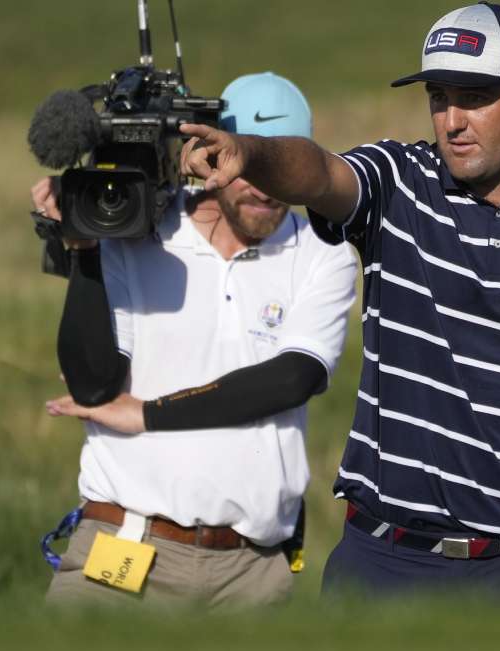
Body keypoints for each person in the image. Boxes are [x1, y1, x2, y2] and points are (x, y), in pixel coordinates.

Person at [180, 3, 500, 598]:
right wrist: (253, 155)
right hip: (383, 564)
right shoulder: (397, 181)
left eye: (474, 96)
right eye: (438, 96)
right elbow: (320, 173)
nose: (452, 120)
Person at [35, 72, 357, 609]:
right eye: (245, 169)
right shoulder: (139, 231)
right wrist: (83, 247)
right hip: (125, 547)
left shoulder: (323, 254)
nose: (261, 188)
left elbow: (292, 377)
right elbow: (93, 386)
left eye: (274, 170)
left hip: (251, 573)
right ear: (212, 155)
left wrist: (148, 413)